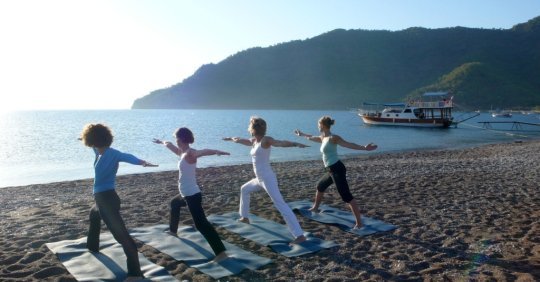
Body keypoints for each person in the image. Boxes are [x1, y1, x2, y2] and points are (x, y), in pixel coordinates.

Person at [80, 123, 157, 279]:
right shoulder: (98, 151)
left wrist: (142, 161)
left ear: (94, 140)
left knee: (122, 237)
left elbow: (127, 157)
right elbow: (93, 146)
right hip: (104, 199)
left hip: (107, 200)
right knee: (94, 215)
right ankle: (92, 247)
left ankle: (136, 274)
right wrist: (83, 138)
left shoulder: (112, 154)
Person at [223, 116, 309, 244]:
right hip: (259, 179)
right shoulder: (254, 141)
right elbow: (240, 140)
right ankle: (244, 217)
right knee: (244, 189)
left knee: (280, 204)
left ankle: (299, 236)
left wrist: (295, 144)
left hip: (267, 179)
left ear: (252, 129)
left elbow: (280, 143)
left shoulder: (265, 140)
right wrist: (231, 139)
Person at [153, 127, 228, 262]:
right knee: (174, 203)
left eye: (176, 138)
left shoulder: (190, 153)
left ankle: (221, 253)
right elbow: (168, 144)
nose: (175, 140)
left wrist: (217, 151)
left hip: (192, 195)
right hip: (185, 193)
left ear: (181, 139)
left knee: (201, 224)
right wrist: (161, 142)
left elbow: (204, 151)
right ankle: (173, 231)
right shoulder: (181, 152)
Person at [294, 116, 377, 229]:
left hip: (337, 169)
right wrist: (302, 135)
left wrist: (364, 148)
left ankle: (359, 223)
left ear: (322, 125)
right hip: (330, 169)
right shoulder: (323, 137)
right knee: (320, 186)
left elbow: (348, 144)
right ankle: (315, 207)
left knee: (346, 196)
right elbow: (311, 138)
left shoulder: (333, 138)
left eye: (318, 124)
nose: (317, 126)